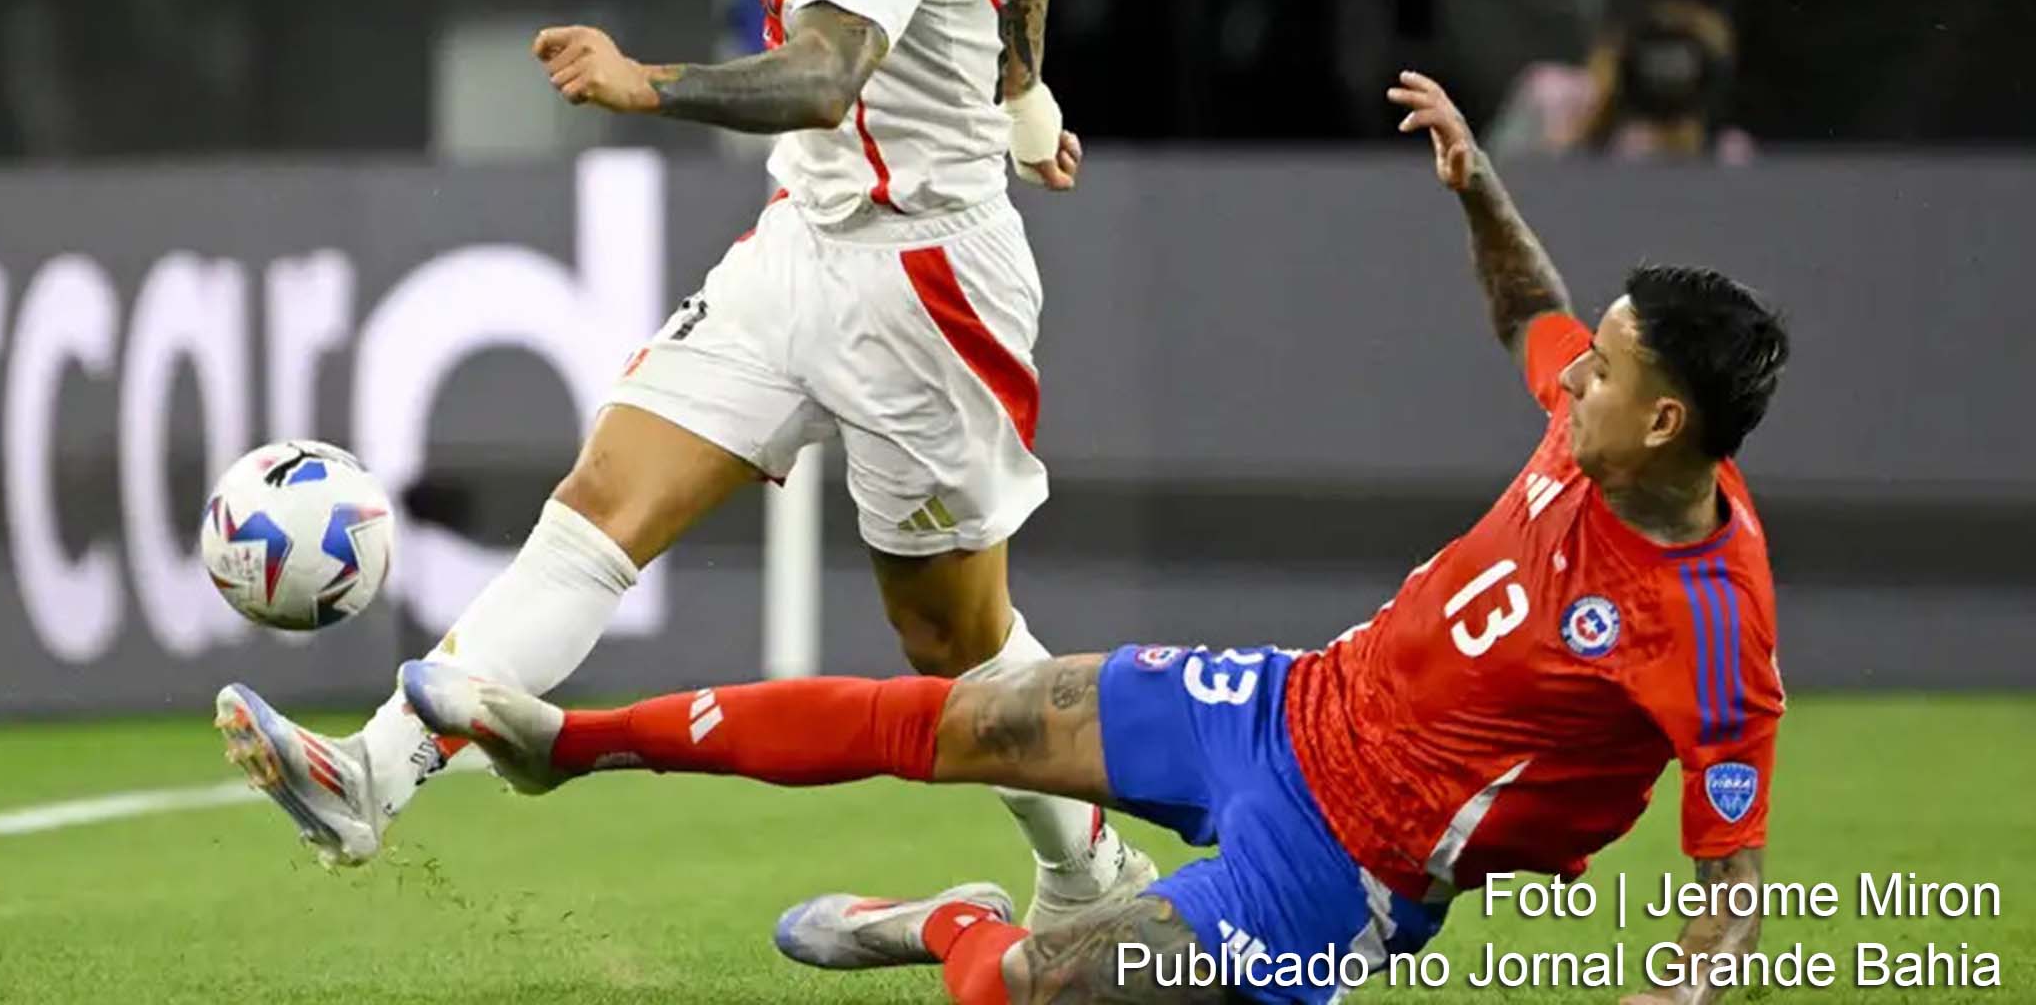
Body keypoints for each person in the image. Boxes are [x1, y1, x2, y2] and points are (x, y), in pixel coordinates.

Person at [396, 69, 1791, 1005]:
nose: (1574, 376)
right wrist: (1479, 183)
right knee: (951, 715)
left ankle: (948, 923)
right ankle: (570, 745)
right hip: (1286, 707)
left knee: (1029, 988)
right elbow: (1528, 311)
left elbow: (1730, 883)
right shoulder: (1589, 420)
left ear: (1667, 421)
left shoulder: (1712, 627)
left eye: (1606, 372)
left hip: (1342, 873)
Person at [217, 0, 1156, 929]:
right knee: (602, 501)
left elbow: (823, 79)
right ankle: (374, 773)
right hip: (802, 245)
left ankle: (1090, 871)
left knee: (954, 637)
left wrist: (644, 83)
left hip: (929, 288)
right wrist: (1022, 91)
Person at [1488, 0, 1754, 164]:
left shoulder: (1728, 150)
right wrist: (1592, 121)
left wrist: (1692, 145)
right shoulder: (1548, 95)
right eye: (1657, 38)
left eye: (1687, 45)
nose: (1669, 62)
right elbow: (1493, 188)